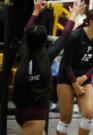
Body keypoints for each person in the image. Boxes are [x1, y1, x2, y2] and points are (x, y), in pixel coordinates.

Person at [12, 0, 85, 135]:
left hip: (20, 109)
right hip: (36, 112)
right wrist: (73, 15)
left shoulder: (22, 50)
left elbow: (26, 31)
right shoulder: (47, 55)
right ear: (44, 41)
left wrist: (35, 11)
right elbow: (65, 35)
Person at [56, 7, 93, 135]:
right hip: (67, 79)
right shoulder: (75, 36)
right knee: (66, 119)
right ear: (90, 21)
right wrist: (75, 84)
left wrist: (84, 77)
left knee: (89, 115)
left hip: (83, 78)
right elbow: (66, 64)